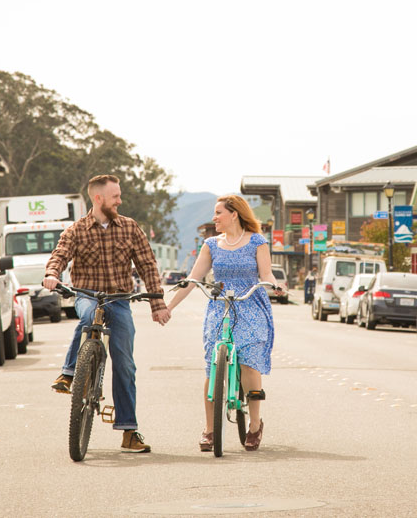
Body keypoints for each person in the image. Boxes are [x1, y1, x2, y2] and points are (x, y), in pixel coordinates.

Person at [42, 174, 170, 453]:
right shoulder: (77, 230)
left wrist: (157, 304)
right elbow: (59, 255)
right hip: (87, 295)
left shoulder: (129, 227)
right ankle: (69, 373)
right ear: (98, 198)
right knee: (88, 317)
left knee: (125, 364)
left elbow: (148, 264)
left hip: (120, 299)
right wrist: (52, 274)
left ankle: (128, 431)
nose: (120, 201)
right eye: (115, 196)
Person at [166, 194, 275, 452]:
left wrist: (276, 285)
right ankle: (210, 429)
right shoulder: (211, 244)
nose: (214, 218)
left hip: (250, 303)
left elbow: (267, 273)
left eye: (218, 213)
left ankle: (255, 424)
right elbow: (193, 278)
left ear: (234, 214)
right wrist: (168, 306)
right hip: (220, 306)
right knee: (211, 364)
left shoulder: (257, 241)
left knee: (249, 360)